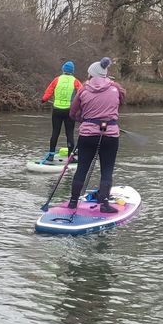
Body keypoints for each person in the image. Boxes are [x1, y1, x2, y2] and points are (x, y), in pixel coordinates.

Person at [68, 57, 125, 212]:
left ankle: (73, 202)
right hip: (110, 135)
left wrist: (84, 120)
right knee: (107, 170)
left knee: (82, 168)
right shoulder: (116, 88)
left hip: (87, 135)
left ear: (91, 74)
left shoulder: (83, 89)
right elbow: (120, 103)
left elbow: (73, 113)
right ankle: (104, 204)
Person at [40, 61, 81, 162]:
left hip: (57, 110)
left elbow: (48, 92)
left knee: (55, 132)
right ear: (72, 71)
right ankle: (70, 158)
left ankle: (51, 155)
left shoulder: (56, 80)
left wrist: (43, 100)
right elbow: (83, 93)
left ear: (63, 70)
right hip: (69, 111)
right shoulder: (75, 81)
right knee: (69, 133)